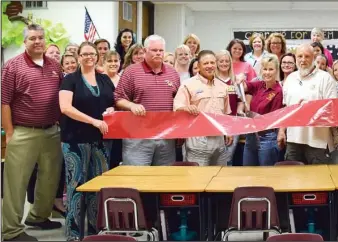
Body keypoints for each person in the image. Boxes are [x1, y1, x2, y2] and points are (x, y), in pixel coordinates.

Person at [2, 24, 63, 241]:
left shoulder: (55, 65)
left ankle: (38, 217)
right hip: (23, 131)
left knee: (50, 178)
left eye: (40, 38)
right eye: (32, 38)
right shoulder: (13, 66)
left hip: (52, 131)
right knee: (16, 182)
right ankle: (10, 231)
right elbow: (4, 102)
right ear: (25, 42)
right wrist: (9, 132)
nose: (37, 42)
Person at [58, 41, 115, 240]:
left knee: (98, 188)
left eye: (92, 54)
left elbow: (112, 102)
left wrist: (111, 111)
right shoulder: (70, 80)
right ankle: (74, 235)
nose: (89, 57)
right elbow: (65, 108)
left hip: (100, 141)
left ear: (97, 56)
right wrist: (93, 121)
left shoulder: (105, 79)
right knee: (76, 187)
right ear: (78, 56)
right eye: (85, 54)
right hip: (75, 140)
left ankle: (95, 232)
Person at [114, 35, 180, 166]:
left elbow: (178, 103)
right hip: (138, 137)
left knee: (164, 178)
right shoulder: (131, 71)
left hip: (166, 137)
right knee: (137, 178)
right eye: (154, 50)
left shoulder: (173, 73)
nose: (158, 53)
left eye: (161, 50)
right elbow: (118, 98)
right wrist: (131, 105)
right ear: (144, 51)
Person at [278, 43, 338, 164]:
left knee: (318, 180)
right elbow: (286, 109)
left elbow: (333, 109)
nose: (303, 60)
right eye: (300, 56)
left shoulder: (325, 78)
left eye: (307, 56)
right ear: (295, 58)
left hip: (317, 142)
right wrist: (281, 131)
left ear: (314, 58)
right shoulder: (290, 79)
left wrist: (311, 108)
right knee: (293, 179)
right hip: (293, 139)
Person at [173, 50, 234, 166]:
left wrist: (228, 131)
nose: (210, 66)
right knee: (198, 179)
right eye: (206, 63)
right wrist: (186, 108)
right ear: (199, 66)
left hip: (219, 140)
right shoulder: (188, 85)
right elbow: (176, 108)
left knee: (220, 177)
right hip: (197, 140)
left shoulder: (224, 86)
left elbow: (226, 113)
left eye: (212, 62)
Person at [239, 54, 284, 166]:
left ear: (276, 71)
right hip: (251, 136)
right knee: (249, 171)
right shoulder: (259, 85)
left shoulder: (278, 91)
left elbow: (274, 118)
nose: (267, 72)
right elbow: (243, 86)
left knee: (265, 174)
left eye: (271, 69)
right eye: (265, 69)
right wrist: (240, 77)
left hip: (267, 137)